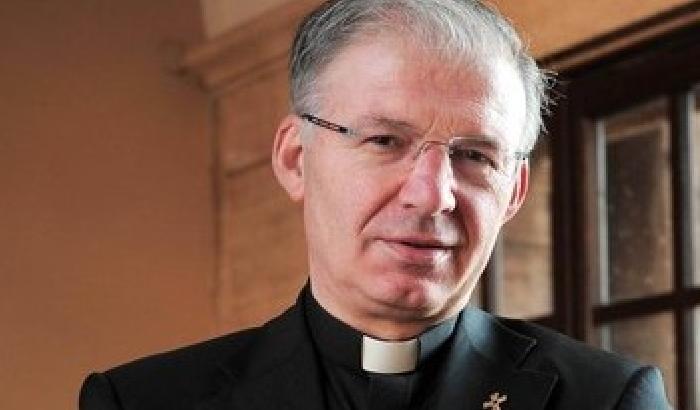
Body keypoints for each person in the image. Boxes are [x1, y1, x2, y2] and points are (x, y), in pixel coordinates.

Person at [79, 1, 671, 409]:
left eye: (474, 156)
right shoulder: (143, 401)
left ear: (513, 191)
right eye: (385, 140)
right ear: (295, 159)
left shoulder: (607, 399)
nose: (433, 194)